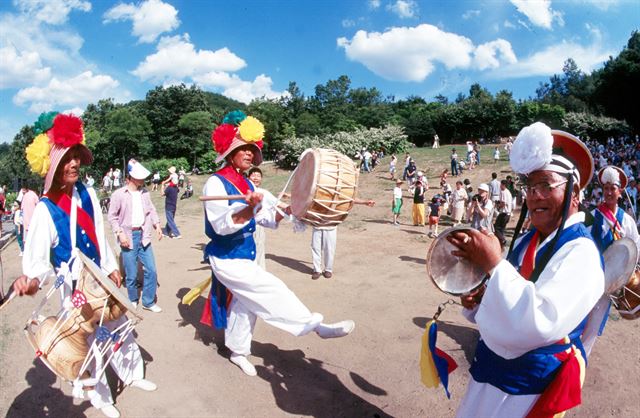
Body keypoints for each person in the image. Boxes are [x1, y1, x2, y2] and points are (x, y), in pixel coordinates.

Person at [450, 121, 604, 418]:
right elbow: (509, 293)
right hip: (492, 371)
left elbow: (539, 322)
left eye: (546, 185)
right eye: (530, 187)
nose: (534, 196)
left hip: (529, 387)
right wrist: (480, 296)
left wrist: (494, 264)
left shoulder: (581, 252)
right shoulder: (525, 241)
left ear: (573, 194)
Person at [12, 113, 156, 418]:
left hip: (100, 280)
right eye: (66, 158)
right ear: (50, 166)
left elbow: (99, 236)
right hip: (74, 288)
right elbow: (37, 261)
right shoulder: (43, 210)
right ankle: (102, 397)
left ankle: (133, 374)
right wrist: (32, 281)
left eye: (76, 156)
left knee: (118, 328)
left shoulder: (89, 193)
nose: (74, 163)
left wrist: (110, 265)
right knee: (89, 342)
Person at [201, 111, 355, 376]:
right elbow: (220, 225)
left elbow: (267, 219)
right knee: (270, 287)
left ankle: (237, 351)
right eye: (243, 149)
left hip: (244, 254)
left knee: (245, 304)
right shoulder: (215, 182)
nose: (249, 154)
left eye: (252, 149)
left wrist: (290, 209)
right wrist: (248, 209)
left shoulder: (248, 182)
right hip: (226, 256)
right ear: (229, 150)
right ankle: (314, 326)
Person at [584, 166, 640, 354]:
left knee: (592, 330)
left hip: (609, 286)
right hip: (590, 280)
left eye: (612, 189)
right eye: (605, 188)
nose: (608, 193)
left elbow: (636, 247)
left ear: (620, 191)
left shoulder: (627, 221)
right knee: (576, 321)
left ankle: (580, 363)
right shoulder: (593, 217)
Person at [108, 159, 163, 313]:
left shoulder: (145, 193)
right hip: (128, 237)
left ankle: (148, 301)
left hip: (144, 235)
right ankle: (132, 299)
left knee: (151, 270)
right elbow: (112, 217)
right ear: (131, 177)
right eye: (140, 177)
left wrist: (157, 225)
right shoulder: (118, 194)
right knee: (131, 274)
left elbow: (151, 210)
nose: (143, 180)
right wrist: (120, 234)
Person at [311, 197, 374, 280]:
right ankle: (317, 270)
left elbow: (349, 197)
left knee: (329, 248)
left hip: (331, 222)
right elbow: (306, 194)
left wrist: (364, 202)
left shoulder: (336, 184)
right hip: (317, 221)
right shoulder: (316, 184)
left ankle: (328, 269)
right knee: (315, 247)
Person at [494, 180, 513, 247]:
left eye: (501, 185)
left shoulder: (504, 192)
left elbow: (503, 203)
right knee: (501, 228)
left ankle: (502, 240)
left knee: (496, 227)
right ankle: (501, 241)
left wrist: (498, 206)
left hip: (504, 213)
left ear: (503, 185)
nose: (500, 186)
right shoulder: (508, 192)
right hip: (508, 213)